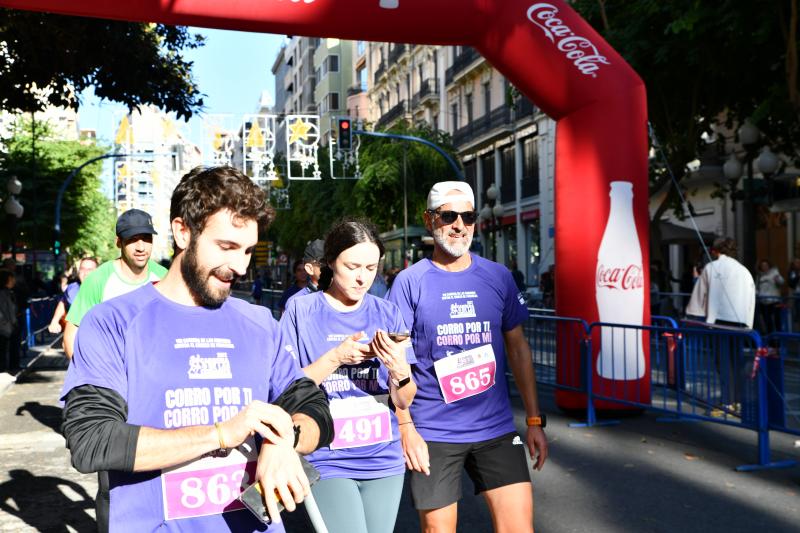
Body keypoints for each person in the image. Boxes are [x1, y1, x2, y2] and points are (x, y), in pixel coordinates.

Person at [60, 166, 333, 532]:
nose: (239, 266)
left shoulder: (260, 323)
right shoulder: (113, 322)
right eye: (226, 247)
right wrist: (221, 434)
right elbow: (91, 439)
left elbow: (314, 409)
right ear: (182, 232)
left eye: (248, 250)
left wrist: (285, 438)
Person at [387, 181, 548, 533]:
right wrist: (405, 428)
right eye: (449, 216)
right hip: (433, 430)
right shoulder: (409, 283)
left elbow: (518, 348)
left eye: (469, 216)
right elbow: (395, 361)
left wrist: (534, 420)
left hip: (495, 428)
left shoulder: (498, 277)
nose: (460, 225)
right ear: (430, 221)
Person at [280, 219, 417, 533]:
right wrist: (335, 358)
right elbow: (285, 389)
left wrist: (400, 370)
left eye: (371, 267)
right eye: (352, 266)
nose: (362, 277)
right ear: (330, 261)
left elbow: (405, 398)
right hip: (327, 459)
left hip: (384, 458)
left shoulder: (387, 312)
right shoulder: (301, 310)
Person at [63, 209, 167, 359]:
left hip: (152, 374)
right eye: (132, 239)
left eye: (146, 238)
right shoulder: (98, 279)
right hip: (111, 376)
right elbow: (71, 335)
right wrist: (88, 378)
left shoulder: (164, 277)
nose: (141, 247)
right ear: (119, 242)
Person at [686, 238, 755, 329]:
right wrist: (749, 323)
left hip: (717, 320)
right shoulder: (744, 270)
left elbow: (699, 296)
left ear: (715, 251)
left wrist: (692, 313)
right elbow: (751, 299)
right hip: (741, 320)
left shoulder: (711, 267)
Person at [48, 257, 98, 334]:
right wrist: (55, 321)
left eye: (89, 270)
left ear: (97, 272)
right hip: (74, 336)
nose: (85, 273)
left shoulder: (105, 290)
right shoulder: (72, 289)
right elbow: (63, 302)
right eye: (82, 269)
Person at [286, 239, 325, 305]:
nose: (330, 266)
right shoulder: (296, 302)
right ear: (309, 268)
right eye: (323, 263)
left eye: (333, 261)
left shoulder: (343, 296)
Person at [755, 259, 784, 333]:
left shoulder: (774, 273)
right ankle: (771, 339)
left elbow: (781, 282)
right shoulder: (759, 276)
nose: (764, 267)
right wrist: (756, 294)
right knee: (767, 321)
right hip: (763, 302)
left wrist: (778, 279)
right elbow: (757, 288)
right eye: (762, 266)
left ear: (769, 266)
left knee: (777, 320)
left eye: (766, 265)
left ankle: (779, 337)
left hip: (774, 301)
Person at [0, 271, 18, 373]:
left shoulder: (10, 292)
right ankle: (3, 369)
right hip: (4, 327)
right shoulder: (3, 293)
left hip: (9, 326)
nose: (14, 281)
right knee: (3, 350)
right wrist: (7, 324)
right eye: (12, 279)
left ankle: (9, 367)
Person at [787, 257, 800, 328]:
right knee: (797, 313)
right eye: (796, 263)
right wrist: (798, 276)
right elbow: (791, 284)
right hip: (796, 294)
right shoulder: (792, 272)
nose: (798, 264)